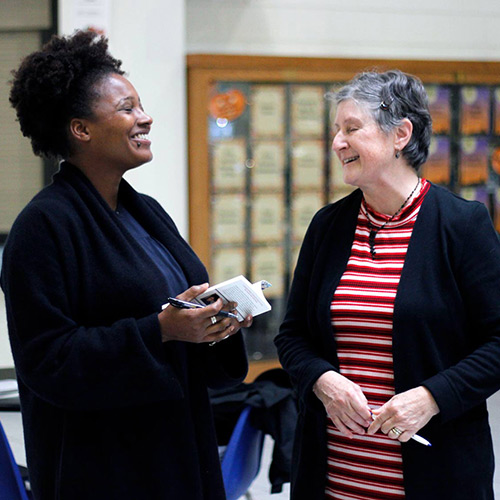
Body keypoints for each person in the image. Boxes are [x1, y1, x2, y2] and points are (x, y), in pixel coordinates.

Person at [1, 30, 252, 500]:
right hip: (104, 466)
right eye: (127, 109)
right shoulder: (42, 228)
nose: (146, 117)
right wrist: (160, 329)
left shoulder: (146, 211)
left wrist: (215, 322)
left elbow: (178, 317)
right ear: (81, 129)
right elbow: (47, 361)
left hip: (176, 446)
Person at [275, 69, 500, 499]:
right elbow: (293, 335)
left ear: (400, 134)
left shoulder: (461, 225)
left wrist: (432, 397)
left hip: (434, 474)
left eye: (352, 128)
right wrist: (322, 380)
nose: (337, 142)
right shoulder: (328, 226)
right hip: (334, 479)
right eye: (336, 130)